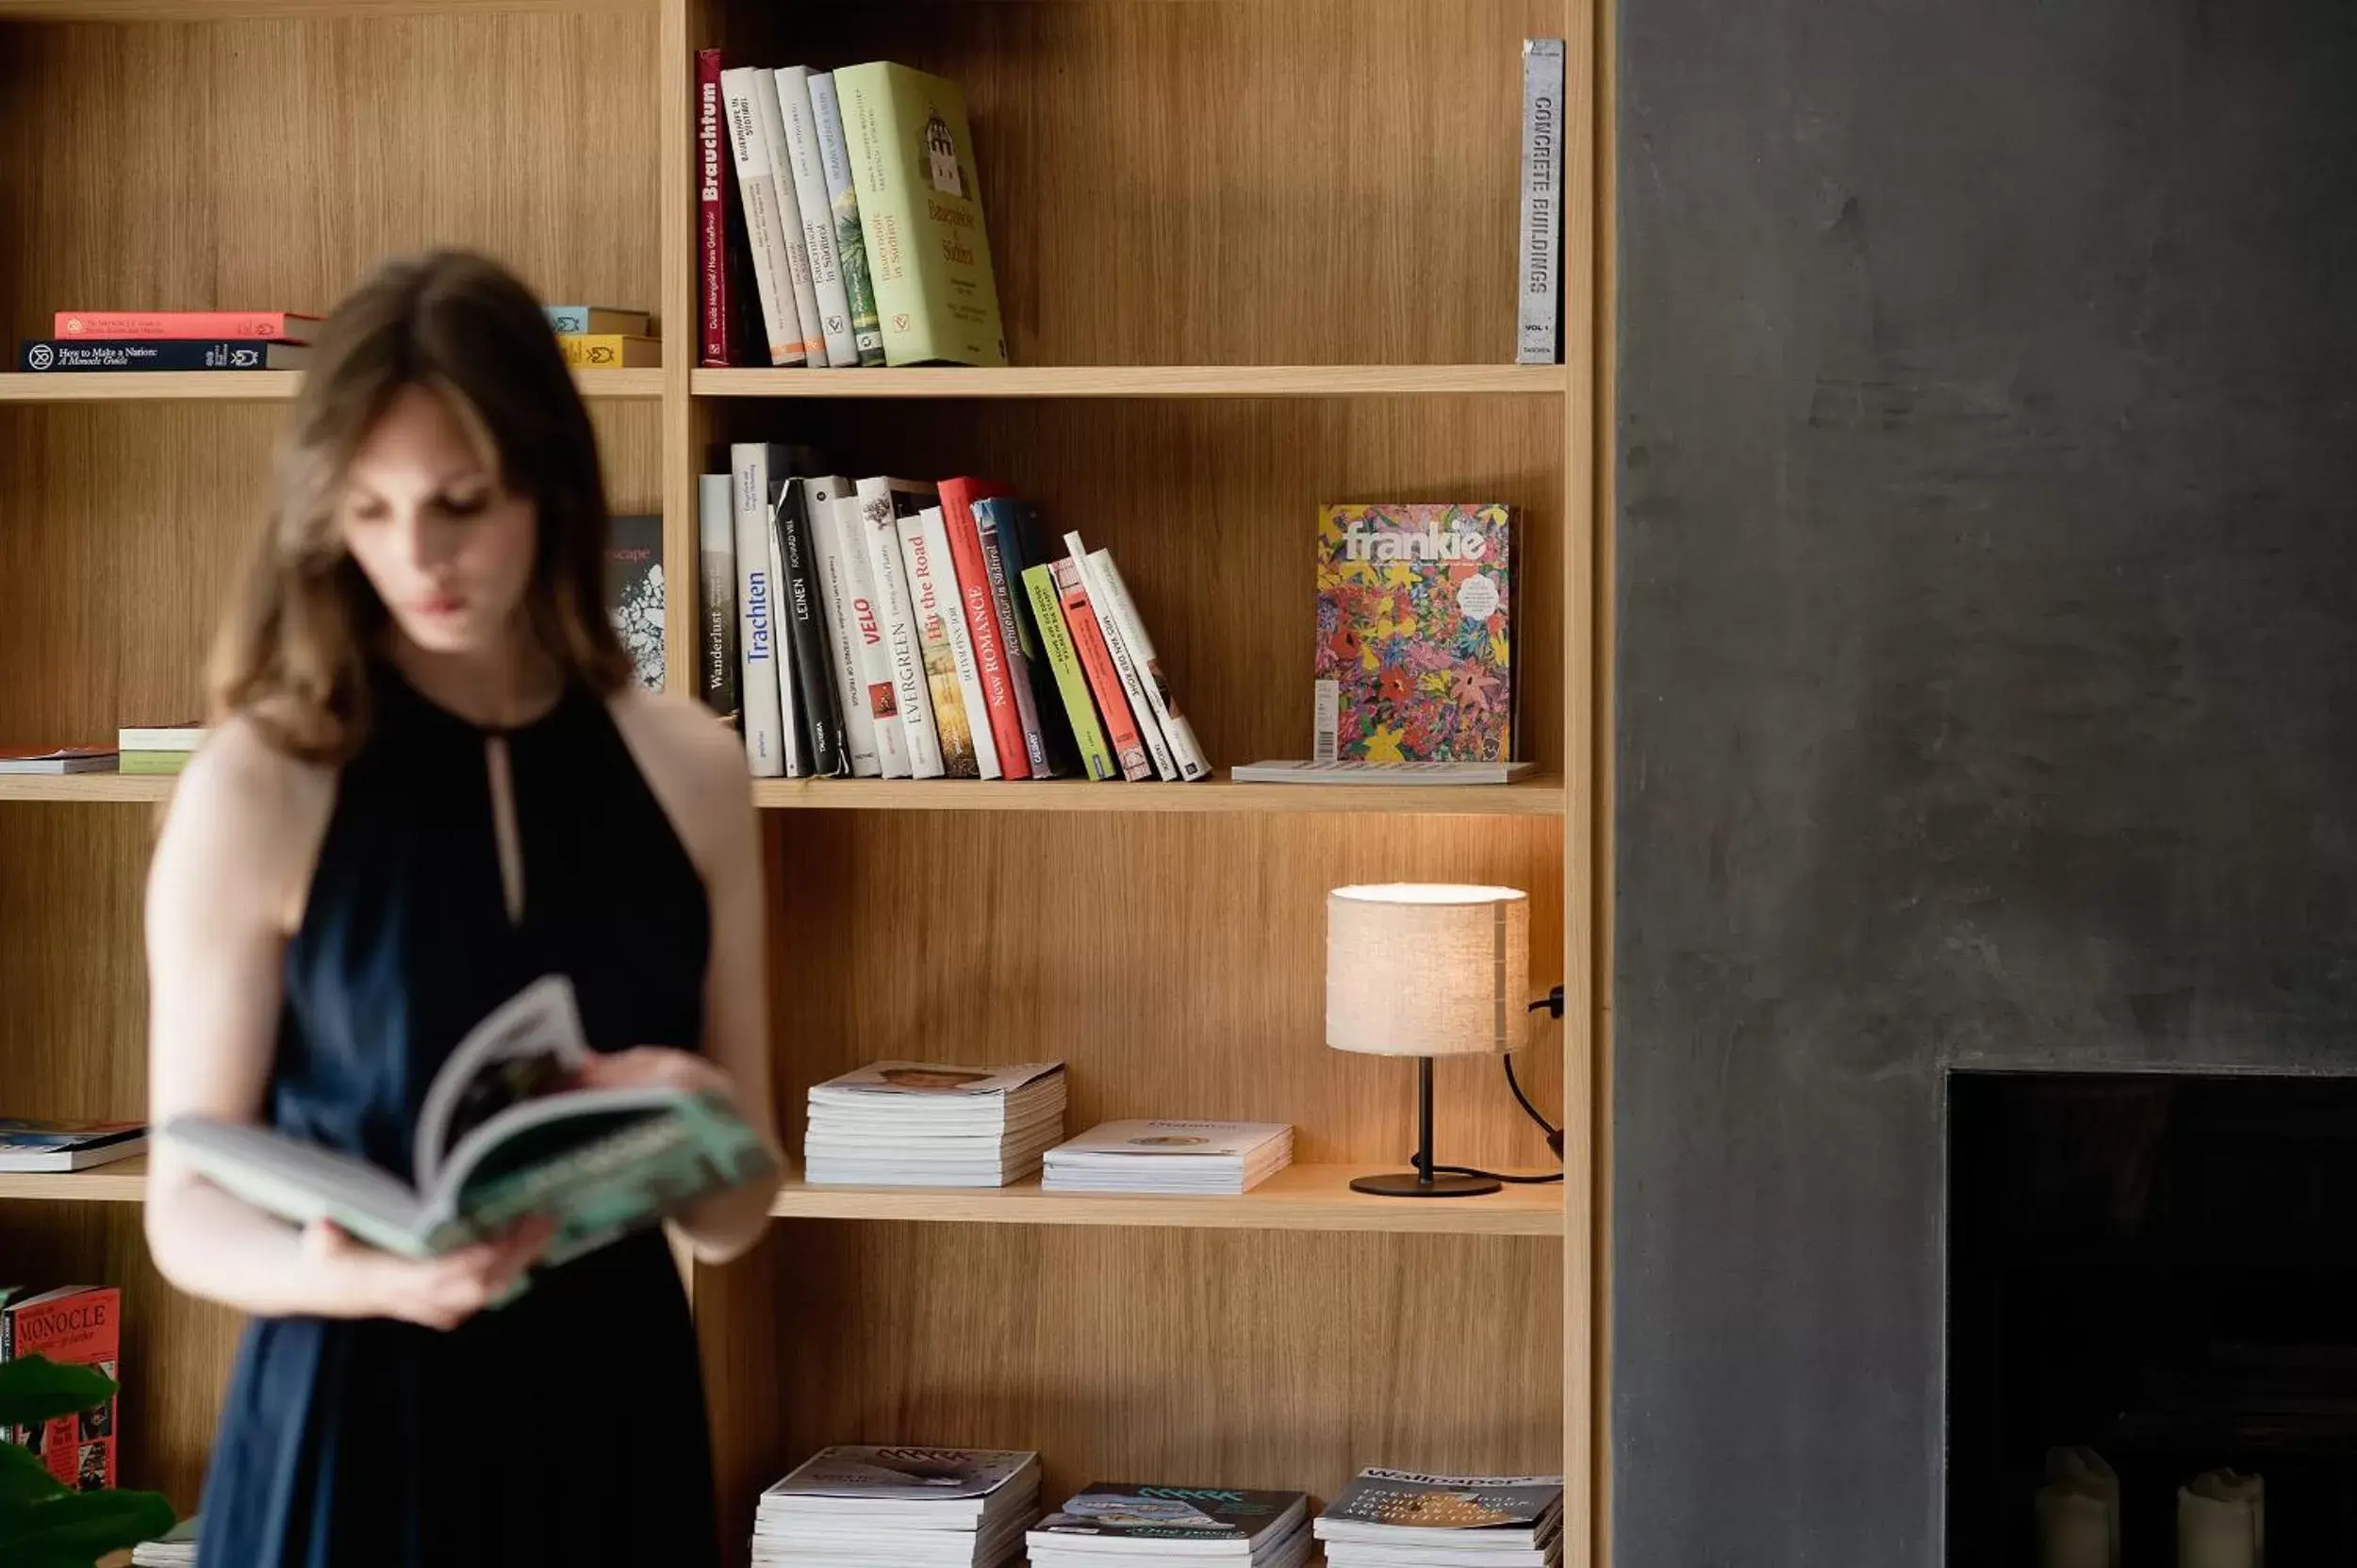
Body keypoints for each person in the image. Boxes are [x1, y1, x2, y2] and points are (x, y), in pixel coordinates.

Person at [141, 249, 783, 1566]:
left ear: (548, 484)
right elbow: (184, 1201)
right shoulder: (261, 780)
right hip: (348, 1408)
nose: (415, 556)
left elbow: (738, 1213)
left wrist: (699, 1125)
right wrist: (369, 1276)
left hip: (616, 1411)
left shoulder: (693, 767)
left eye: (459, 502)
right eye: (367, 512)